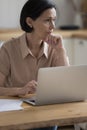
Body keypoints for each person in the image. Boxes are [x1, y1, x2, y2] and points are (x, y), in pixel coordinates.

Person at [0, 0, 69, 129]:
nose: (52, 26)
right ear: (30, 22)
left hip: (46, 114)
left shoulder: (55, 48)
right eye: (47, 20)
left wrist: (61, 51)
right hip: (16, 116)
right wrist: (20, 90)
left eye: (54, 20)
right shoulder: (8, 49)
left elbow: (67, 87)